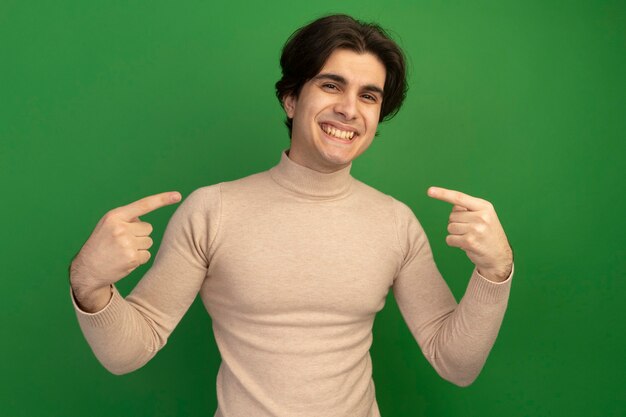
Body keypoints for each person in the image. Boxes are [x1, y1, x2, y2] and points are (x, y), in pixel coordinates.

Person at [69, 14, 514, 417]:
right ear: (290, 100)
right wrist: (90, 282)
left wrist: (495, 272)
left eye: (369, 96)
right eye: (331, 85)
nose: (349, 109)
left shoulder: (396, 223)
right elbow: (128, 351)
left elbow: (455, 363)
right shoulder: (213, 211)